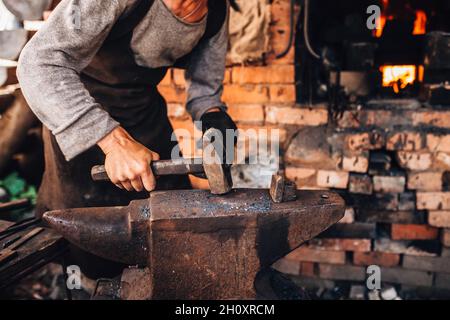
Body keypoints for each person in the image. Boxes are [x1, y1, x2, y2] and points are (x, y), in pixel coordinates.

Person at [17, 0, 237, 278]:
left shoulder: (216, 10)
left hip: (144, 113)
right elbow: (38, 61)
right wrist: (113, 143)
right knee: (91, 244)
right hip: (81, 115)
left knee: (174, 229)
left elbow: (206, 90)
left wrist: (214, 119)